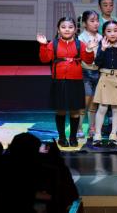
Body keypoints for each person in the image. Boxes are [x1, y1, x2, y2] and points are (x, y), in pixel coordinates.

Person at [37, 17, 97, 147]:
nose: (67, 30)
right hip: (59, 81)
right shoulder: (53, 44)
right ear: (58, 30)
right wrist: (43, 45)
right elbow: (44, 59)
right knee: (61, 110)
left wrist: (89, 50)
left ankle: (73, 137)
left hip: (75, 81)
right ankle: (62, 138)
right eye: (63, 27)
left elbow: (88, 60)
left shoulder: (80, 44)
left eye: (70, 27)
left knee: (75, 111)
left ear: (75, 30)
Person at [92, 20, 117, 147]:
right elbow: (97, 62)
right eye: (109, 31)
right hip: (105, 77)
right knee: (102, 107)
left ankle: (113, 135)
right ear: (104, 33)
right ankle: (97, 134)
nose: (112, 33)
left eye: (115, 30)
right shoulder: (101, 44)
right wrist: (103, 49)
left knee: (116, 108)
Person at [77, 10, 102, 139]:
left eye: (97, 20)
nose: (96, 23)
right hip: (85, 72)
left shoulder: (101, 37)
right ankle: (79, 128)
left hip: (98, 72)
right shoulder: (81, 38)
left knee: (94, 102)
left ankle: (92, 127)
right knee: (85, 100)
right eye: (92, 21)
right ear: (84, 24)